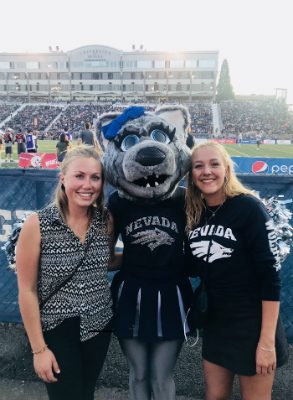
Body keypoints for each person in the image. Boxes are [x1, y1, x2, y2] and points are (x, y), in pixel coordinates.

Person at [185, 141, 288, 400]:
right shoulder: (194, 213)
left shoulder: (249, 208)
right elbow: (191, 266)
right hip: (217, 320)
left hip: (252, 322)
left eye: (214, 164)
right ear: (192, 175)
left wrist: (266, 343)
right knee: (215, 396)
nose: (206, 171)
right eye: (199, 166)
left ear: (227, 169)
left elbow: (270, 278)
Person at [16, 146, 119, 400]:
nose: (88, 185)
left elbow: (105, 262)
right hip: (57, 326)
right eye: (79, 176)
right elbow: (27, 290)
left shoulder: (105, 219)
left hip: (100, 322)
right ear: (63, 178)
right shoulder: (38, 224)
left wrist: (153, 257)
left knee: (86, 393)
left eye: (95, 178)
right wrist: (39, 350)